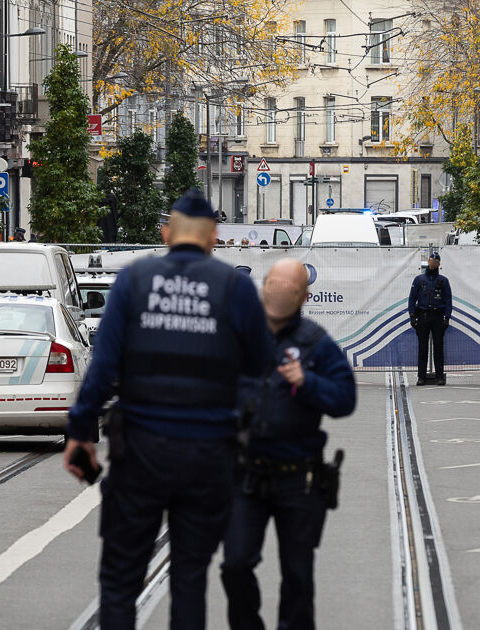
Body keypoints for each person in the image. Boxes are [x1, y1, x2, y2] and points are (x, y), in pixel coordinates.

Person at [63, 188, 269, 630]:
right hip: (208, 454)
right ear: (215, 237)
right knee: (189, 576)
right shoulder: (235, 287)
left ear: (166, 232)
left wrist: (80, 432)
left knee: (120, 579)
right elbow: (259, 375)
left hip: (141, 453)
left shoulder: (135, 281)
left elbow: (102, 369)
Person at [220, 259, 356, 630]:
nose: (278, 294)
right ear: (263, 289)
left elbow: (345, 399)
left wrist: (308, 382)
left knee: (298, 576)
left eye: (289, 290)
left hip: (299, 479)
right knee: (234, 565)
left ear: (303, 297)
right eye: (274, 286)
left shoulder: (315, 343)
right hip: (246, 477)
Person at [408, 251, 452, 386]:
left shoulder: (443, 280)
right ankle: (421, 377)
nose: (432, 263)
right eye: (430, 261)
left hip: (438, 317)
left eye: (435, 262)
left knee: (438, 348)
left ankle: (439, 376)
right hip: (423, 316)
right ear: (428, 262)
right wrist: (412, 316)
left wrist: (447, 317)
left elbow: (448, 299)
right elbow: (412, 298)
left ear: (438, 264)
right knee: (422, 348)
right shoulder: (419, 279)